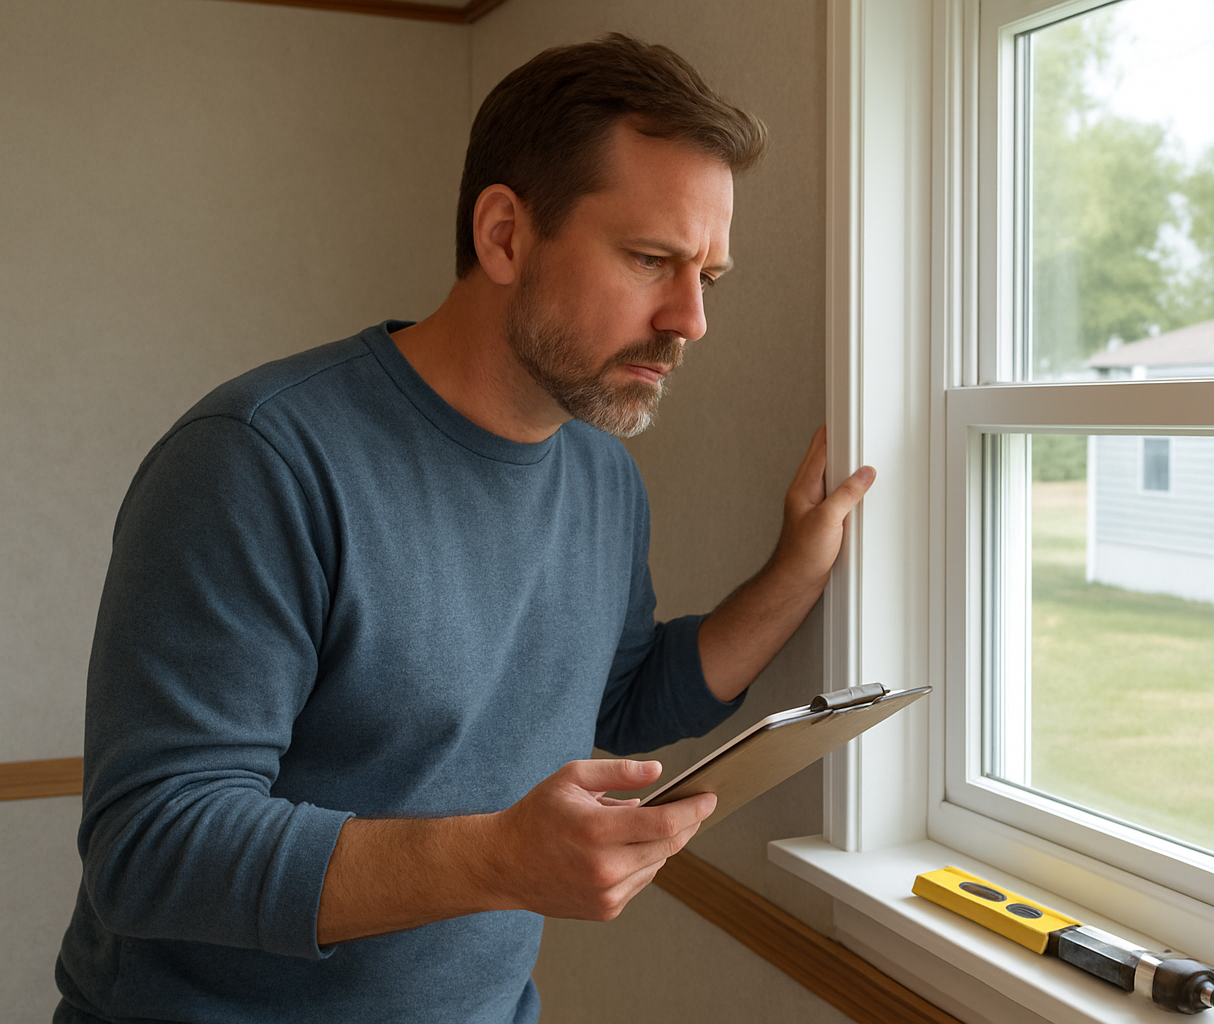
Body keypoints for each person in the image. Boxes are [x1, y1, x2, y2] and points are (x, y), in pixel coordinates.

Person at [54, 33, 873, 1024]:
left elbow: (610, 702)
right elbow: (153, 846)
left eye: (710, 275)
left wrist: (797, 569)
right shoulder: (258, 459)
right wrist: (494, 858)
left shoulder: (605, 478)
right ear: (504, 235)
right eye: (653, 259)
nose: (691, 318)